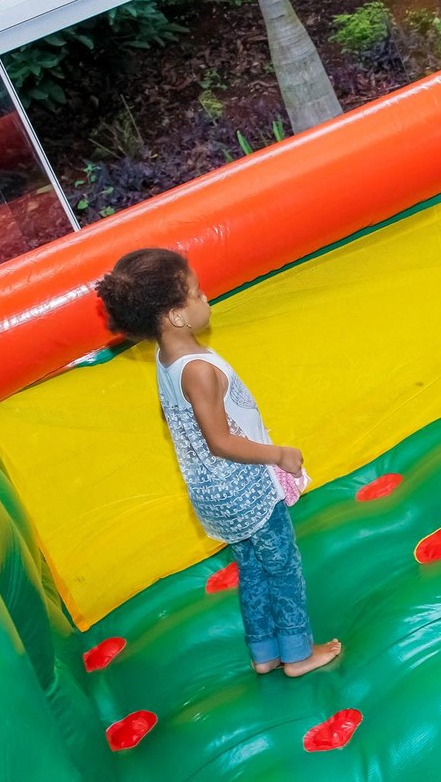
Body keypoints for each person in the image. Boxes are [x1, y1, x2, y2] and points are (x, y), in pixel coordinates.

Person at [96, 247, 342, 673]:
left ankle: (264, 653)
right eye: (195, 292)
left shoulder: (165, 359)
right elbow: (220, 440)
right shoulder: (198, 369)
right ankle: (299, 654)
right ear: (174, 315)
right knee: (282, 567)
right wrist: (279, 453)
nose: (205, 296)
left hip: (211, 494)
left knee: (251, 568)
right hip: (243, 488)